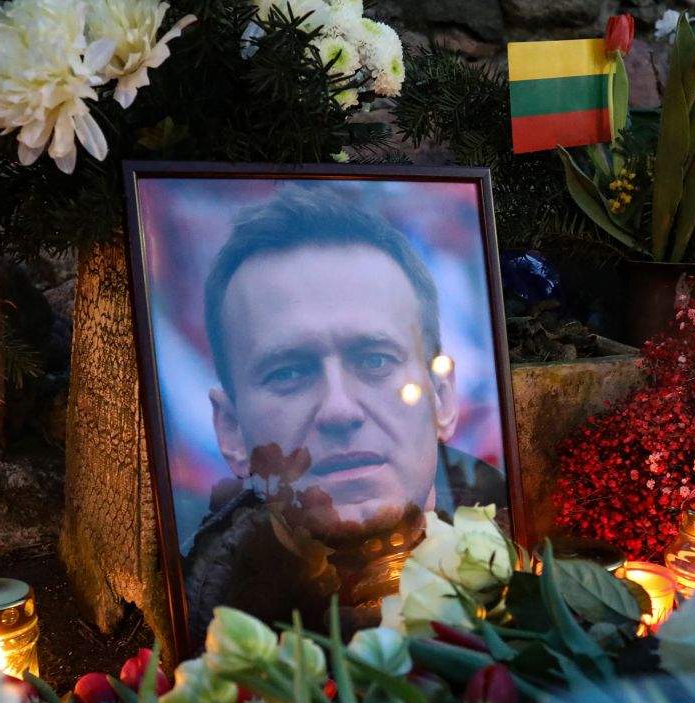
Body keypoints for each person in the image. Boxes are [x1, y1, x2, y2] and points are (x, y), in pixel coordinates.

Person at [182, 184, 506, 644]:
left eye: (375, 360)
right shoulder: (189, 614)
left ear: (443, 397)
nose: (339, 409)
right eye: (289, 371)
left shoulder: (530, 566)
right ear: (230, 429)